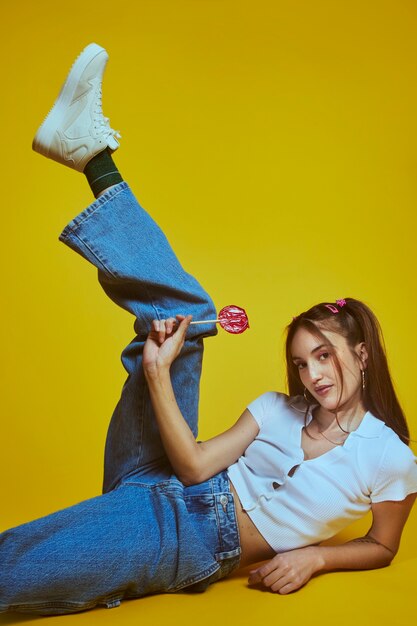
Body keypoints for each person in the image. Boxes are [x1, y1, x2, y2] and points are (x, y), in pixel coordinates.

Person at [1, 43, 417, 615]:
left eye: (323, 356)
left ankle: (89, 151)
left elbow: (383, 546)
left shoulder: (390, 457)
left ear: (362, 353)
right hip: (163, 477)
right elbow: (194, 466)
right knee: (189, 311)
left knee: (12, 568)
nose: (311, 374)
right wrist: (158, 372)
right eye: (301, 361)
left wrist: (316, 557)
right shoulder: (276, 409)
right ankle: (93, 154)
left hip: (191, 535)